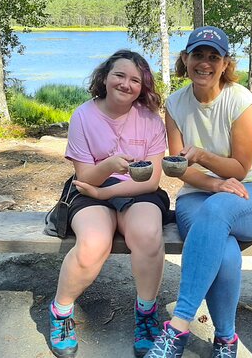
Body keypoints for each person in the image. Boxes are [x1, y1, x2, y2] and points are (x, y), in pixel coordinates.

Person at [145, 26, 252, 358]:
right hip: (197, 196)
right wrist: (214, 183)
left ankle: (178, 326)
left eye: (213, 57)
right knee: (226, 252)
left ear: (224, 64)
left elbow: (240, 169)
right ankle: (226, 339)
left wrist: (203, 156)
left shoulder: (241, 101)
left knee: (217, 210)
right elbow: (178, 167)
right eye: (198, 55)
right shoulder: (176, 104)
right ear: (185, 59)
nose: (204, 63)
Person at [50, 49, 174, 358]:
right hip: (89, 186)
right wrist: (108, 167)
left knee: (147, 235)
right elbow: (86, 177)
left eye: (135, 80)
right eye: (119, 75)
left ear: (142, 88)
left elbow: (151, 181)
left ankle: (146, 314)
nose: (126, 84)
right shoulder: (83, 115)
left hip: (138, 190)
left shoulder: (149, 120)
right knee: (94, 242)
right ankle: (61, 312)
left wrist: (108, 194)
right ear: (104, 78)